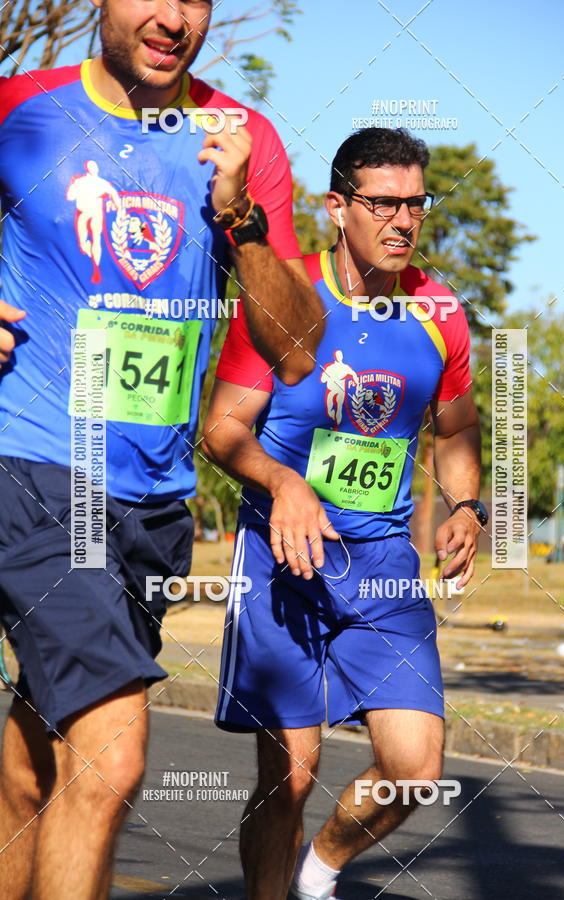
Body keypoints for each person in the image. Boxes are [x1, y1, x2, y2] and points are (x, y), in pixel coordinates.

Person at [0, 2, 324, 898]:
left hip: (152, 497)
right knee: (111, 755)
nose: (172, 17)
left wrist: (243, 221)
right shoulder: (19, 109)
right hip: (35, 467)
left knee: (39, 765)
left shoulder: (244, 136)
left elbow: (296, 347)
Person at [202, 127, 487, 899]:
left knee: (415, 768)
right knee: (290, 778)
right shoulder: (282, 295)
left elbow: (456, 428)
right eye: (383, 203)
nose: (402, 220)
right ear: (337, 208)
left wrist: (466, 504)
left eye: (415, 204)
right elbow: (222, 428)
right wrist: (284, 484)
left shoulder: (440, 312)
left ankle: (320, 869)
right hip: (280, 562)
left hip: (385, 568)